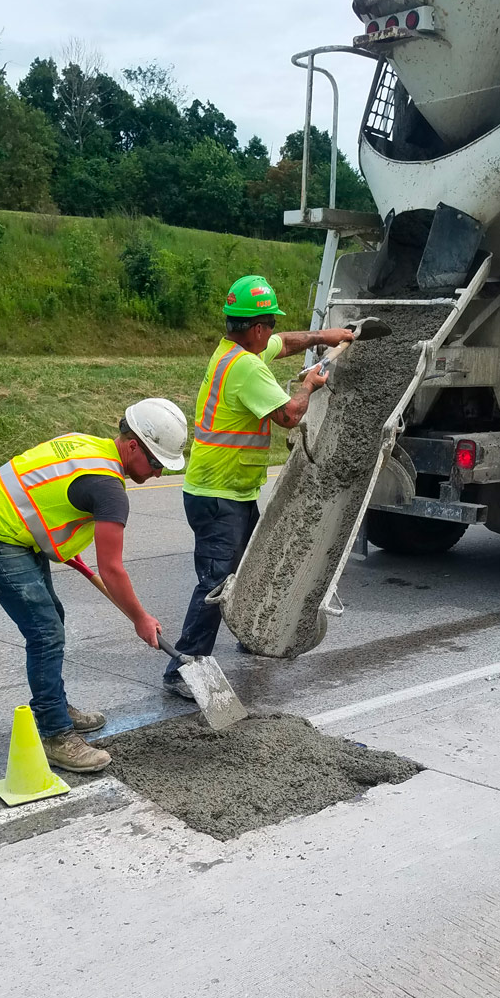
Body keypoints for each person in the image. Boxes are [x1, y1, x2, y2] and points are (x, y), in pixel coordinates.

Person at [0, 400, 186, 774]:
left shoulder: (85, 444)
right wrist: (140, 618)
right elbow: (112, 569)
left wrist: (57, 544)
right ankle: (55, 735)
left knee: (53, 620)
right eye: (157, 463)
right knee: (46, 632)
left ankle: (53, 706)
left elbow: (46, 494)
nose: (159, 473)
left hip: (5, 529)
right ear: (133, 446)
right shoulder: (110, 489)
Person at [163, 274, 355, 698]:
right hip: (219, 494)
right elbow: (289, 416)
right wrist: (309, 385)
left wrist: (328, 335)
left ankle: (247, 631)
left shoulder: (234, 349)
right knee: (216, 581)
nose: (270, 332)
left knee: (243, 569)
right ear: (256, 328)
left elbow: (285, 342)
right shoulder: (246, 368)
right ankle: (185, 667)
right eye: (267, 324)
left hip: (230, 490)